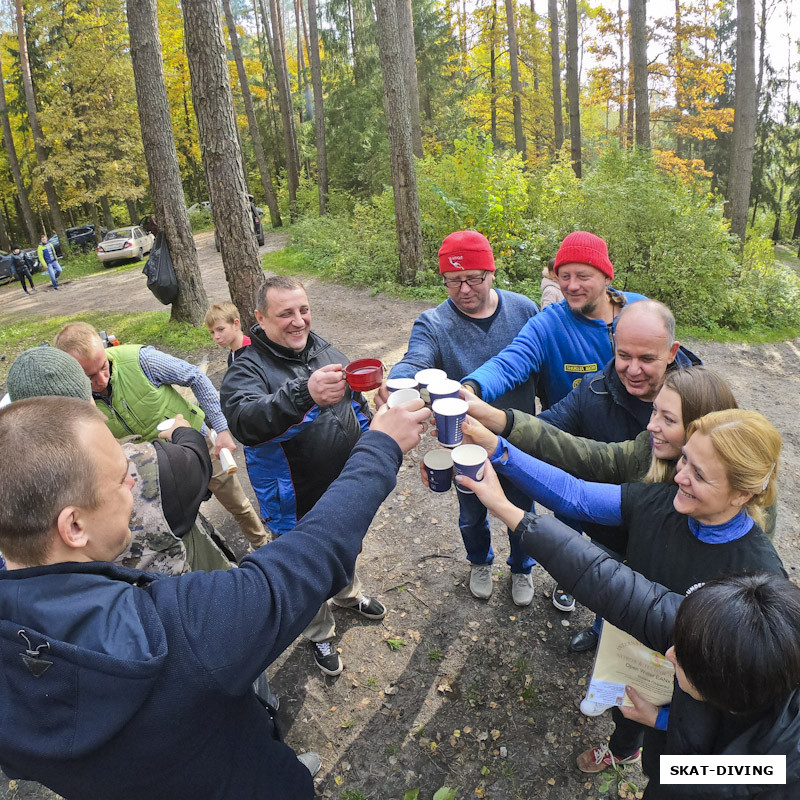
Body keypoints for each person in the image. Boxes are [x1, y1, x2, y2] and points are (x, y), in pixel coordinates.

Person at [0, 396, 429, 800]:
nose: (133, 478)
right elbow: (311, 556)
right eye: (119, 478)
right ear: (74, 527)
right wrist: (381, 446)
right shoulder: (182, 629)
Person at [460, 408, 784, 778]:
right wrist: (500, 450)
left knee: (658, 757)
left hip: (688, 706)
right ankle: (622, 750)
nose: (679, 476)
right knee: (626, 714)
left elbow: (740, 733)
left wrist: (663, 719)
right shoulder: (661, 502)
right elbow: (575, 495)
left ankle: (640, 755)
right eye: (684, 461)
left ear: (741, 493)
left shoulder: (760, 582)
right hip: (630, 655)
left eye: (699, 474)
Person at [221, 276, 387, 676]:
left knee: (346, 544)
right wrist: (303, 394)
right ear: (259, 318)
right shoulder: (246, 368)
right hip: (293, 496)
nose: (299, 321)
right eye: (286, 314)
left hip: (341, 483)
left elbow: (353, 404)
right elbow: (246, 422)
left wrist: (373, 425)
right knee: (305, 567)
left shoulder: (323, 347)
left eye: (304, 310)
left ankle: (349, 595)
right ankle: (319, 632)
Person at [375, 230, 540, 605]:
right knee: (471, 513)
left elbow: (542, 374)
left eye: (473, 278)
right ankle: (480, 562)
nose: (463, 289)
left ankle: (522, 568)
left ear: (492, 273)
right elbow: (417, 357)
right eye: (453, 280)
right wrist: (396, 381)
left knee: (522, 509)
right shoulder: (433, 323)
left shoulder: (524, 311)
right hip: (464, 443)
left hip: (517, 436)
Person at [528, 299, 699, 638]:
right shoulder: (593, 392)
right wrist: (478, 439)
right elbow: (543, 432)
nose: (633, 369)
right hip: (607, 526)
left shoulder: (702, 399)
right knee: (611, 592)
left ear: (671, 351)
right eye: (624, 356)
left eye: (647, 359)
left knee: (655, 616)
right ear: (614, 345)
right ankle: (600, 630)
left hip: (669, 541)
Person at [5, 345, 233, 575]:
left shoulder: (12, 492)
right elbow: (193, 463)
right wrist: (183, 432)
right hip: (188, 583)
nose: (128, 482)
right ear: (87, 398)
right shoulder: (141, 464)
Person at [54, 322, 269, 550]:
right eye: (89, 377)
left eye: (104, 367)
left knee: (238, 504)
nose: (102, 380)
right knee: (182, 520)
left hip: (199, 443)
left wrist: (222, 428)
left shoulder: (140, 360)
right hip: (156, 468)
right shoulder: (74, 398)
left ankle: (262, 544)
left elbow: (194, 376)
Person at [462, 230, 647, 410]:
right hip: (568, 438)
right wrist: (470, 388)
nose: (572, 286)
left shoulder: (641, 309)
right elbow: (509, 363)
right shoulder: (549, 325)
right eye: (565, 277)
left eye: (583, 276)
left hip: (640, 434)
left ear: (607, 277)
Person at [205, 301, 251, 366]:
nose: (216, 337)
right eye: (212, 332)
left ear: (236, 324)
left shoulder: (251, 353)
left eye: (220, 329)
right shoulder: (233, 354)